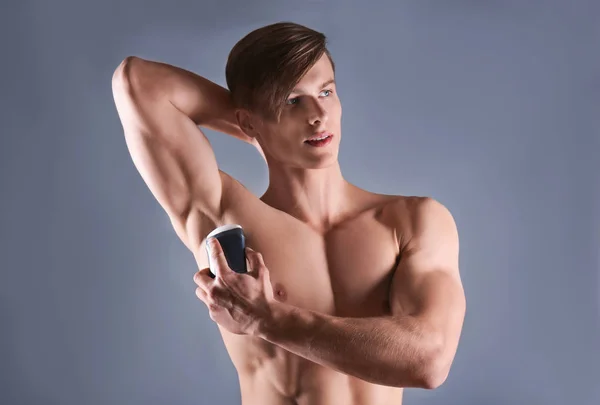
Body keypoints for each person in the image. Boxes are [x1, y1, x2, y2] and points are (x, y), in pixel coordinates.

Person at [111, 21, 466, 405]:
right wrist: (263, 129)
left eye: (326, 92)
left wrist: (267, 319)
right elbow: (137, 82)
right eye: (293, 101)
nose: (318, 115)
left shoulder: (412, 222)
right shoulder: (224, 214)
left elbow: (429, 361)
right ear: (247, 119)